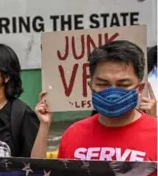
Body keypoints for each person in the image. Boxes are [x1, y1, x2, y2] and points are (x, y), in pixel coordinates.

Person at [27, 40, 157, 162]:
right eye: (102, 84)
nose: (112, 93)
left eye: (123, 84)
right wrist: (44, 126)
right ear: (90, 85)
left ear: (140, 88)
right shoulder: (73, 134)